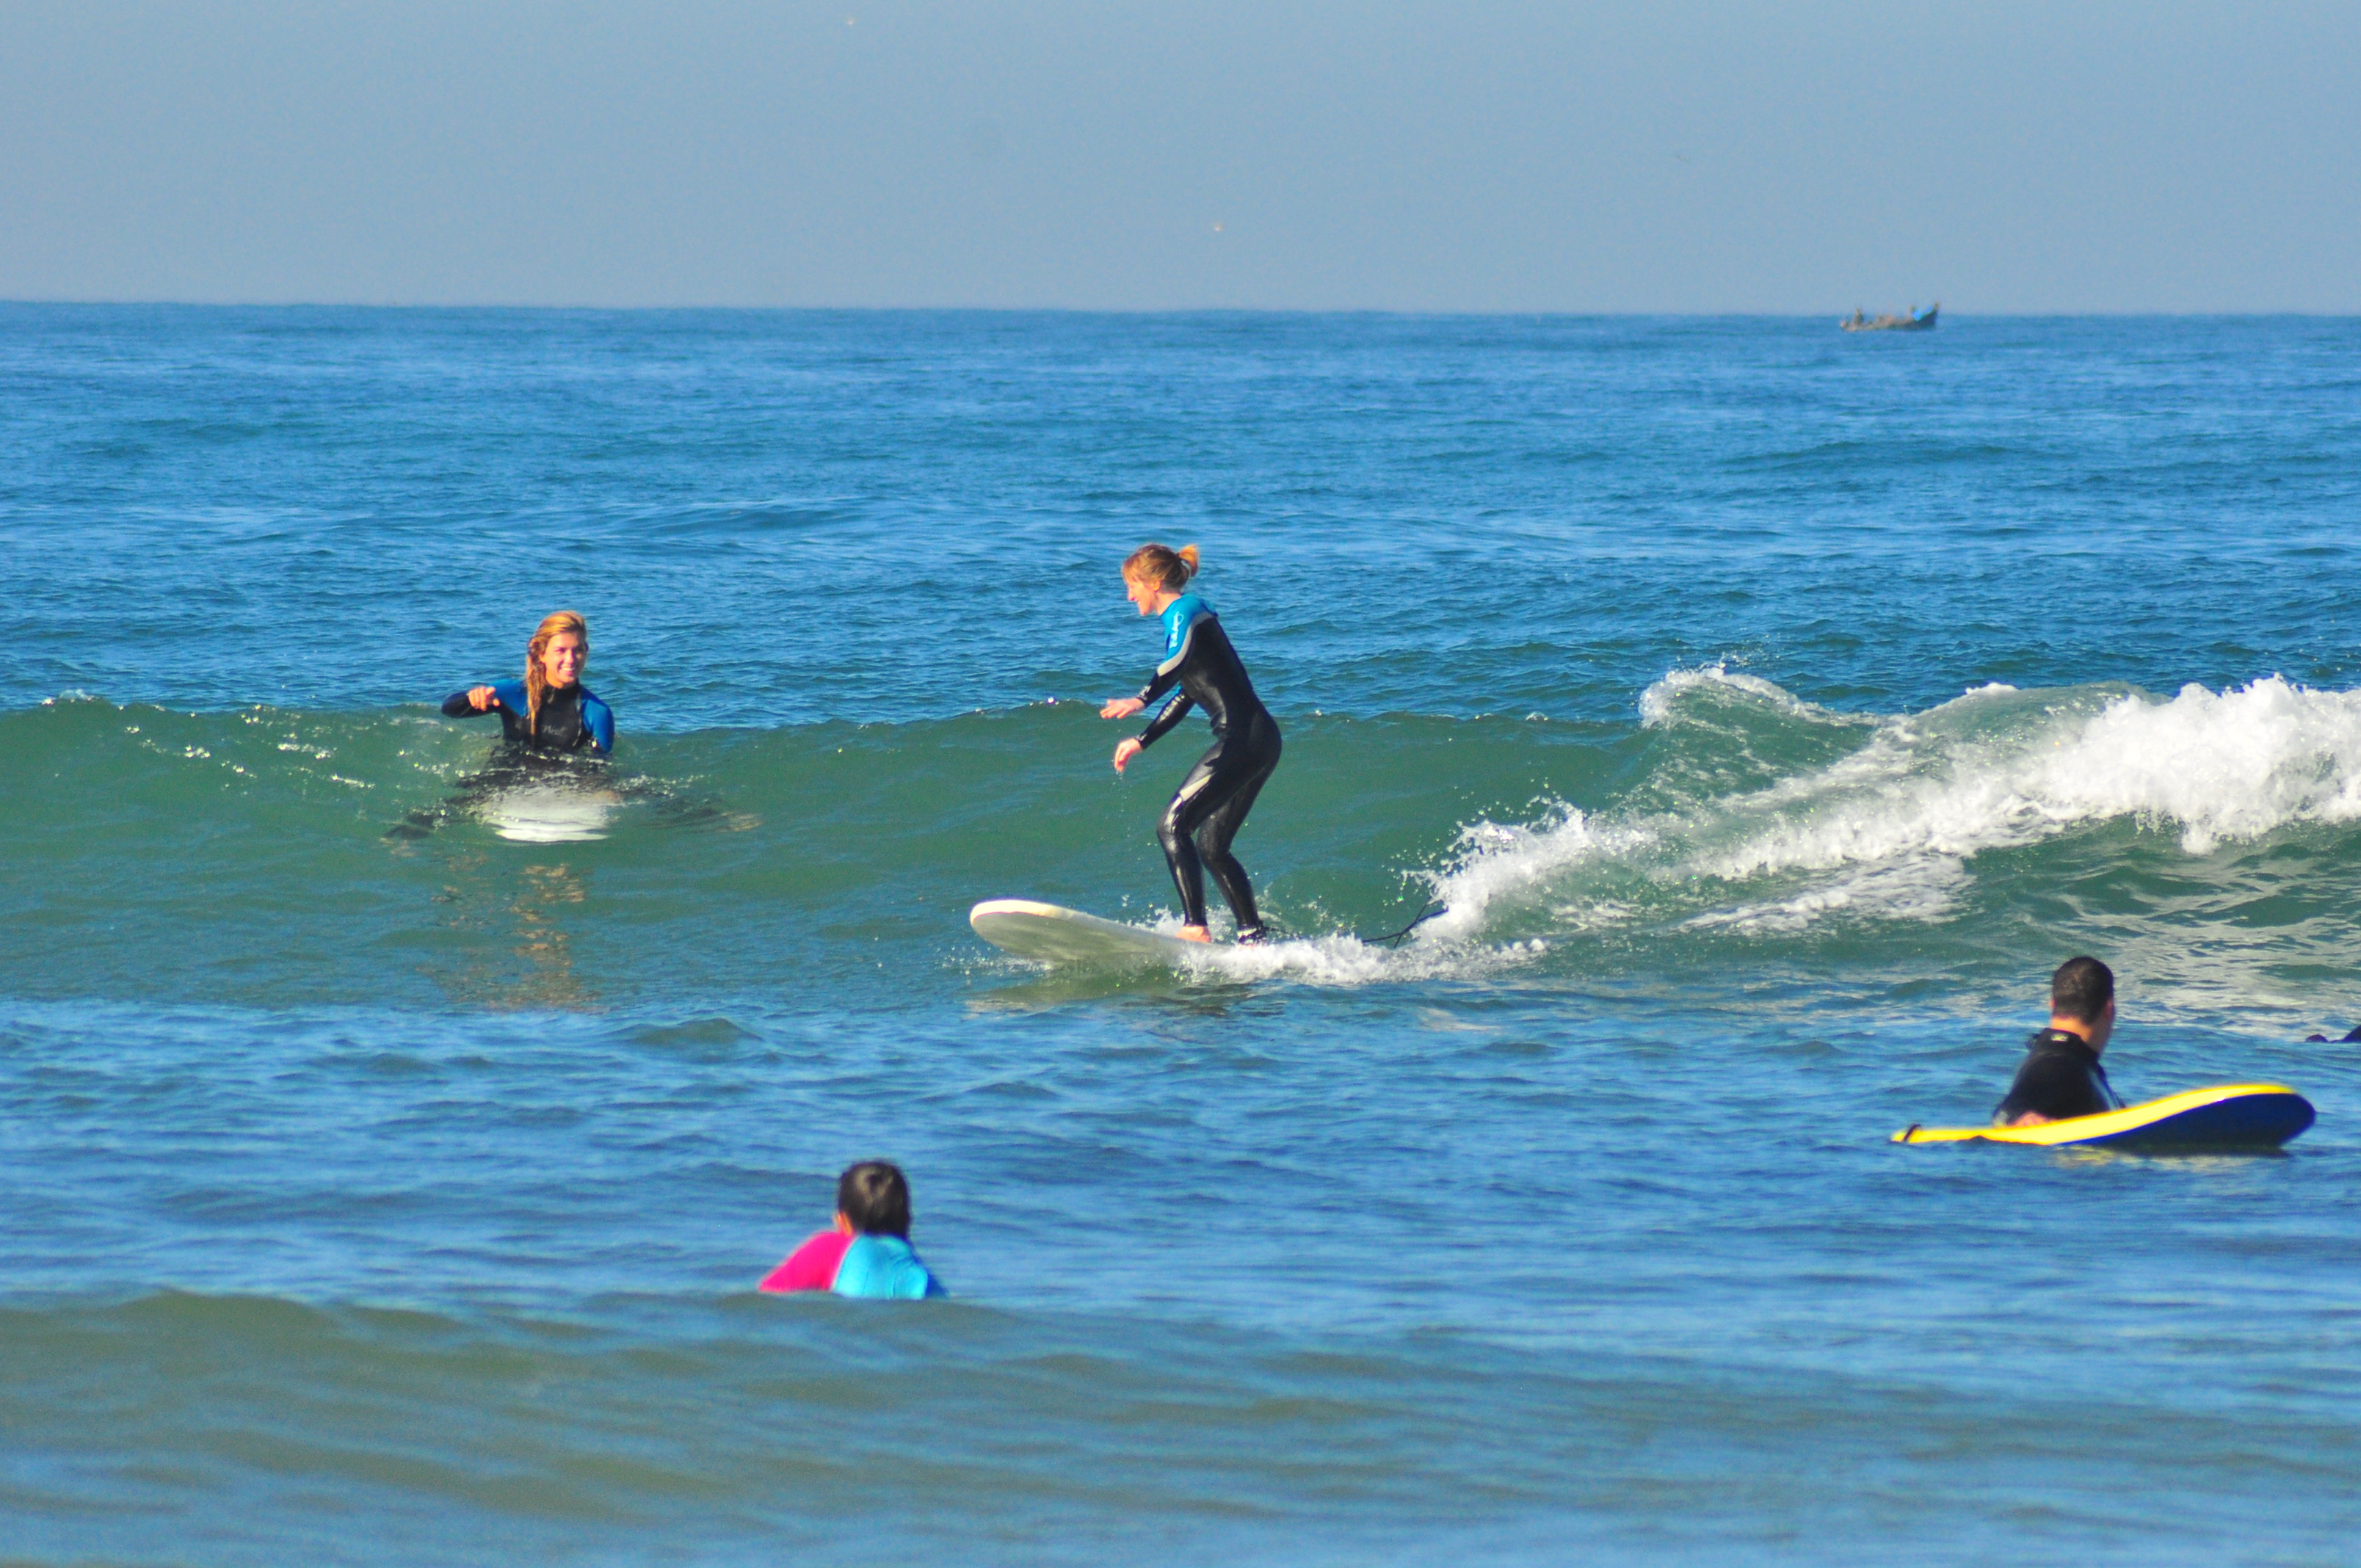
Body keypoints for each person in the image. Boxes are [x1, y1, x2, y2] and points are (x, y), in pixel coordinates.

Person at [1098, 543, 1283, 945]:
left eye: (1133, 586)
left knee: (1171, 825)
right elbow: (1187, 693)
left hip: (1242, 740)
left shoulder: (1184, 613)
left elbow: (1175, 662)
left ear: (1155, 583)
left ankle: (1195, 928)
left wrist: (1140, 698)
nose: (1129, 596)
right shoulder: (1191, 620)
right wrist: (1142, 740)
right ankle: (1254, 937)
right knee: (1213, 847)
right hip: (1259, 740)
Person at [759, 1161, 947, 1300]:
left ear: (843, 1222)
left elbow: (764, 1301)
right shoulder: (932, 1284)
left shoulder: (831, 1248)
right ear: (908, 1222)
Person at [440, 610, 613, 758]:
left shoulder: (596, 712)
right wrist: (470, 699)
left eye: (578, 650)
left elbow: (599, 768)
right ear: (541, 654)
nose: (571, 659)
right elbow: (449, 709)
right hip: (501, 784)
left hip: (560, 791)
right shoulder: (514, 693)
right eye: (561, 651)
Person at [1993, 956, 2125, 1127]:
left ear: (2052, 1004)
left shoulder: (2081, 1065)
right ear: (2109, 1010)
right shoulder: (2058, 1064)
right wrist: (2021, 1119)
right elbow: (2006, 1111)